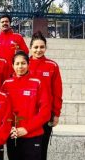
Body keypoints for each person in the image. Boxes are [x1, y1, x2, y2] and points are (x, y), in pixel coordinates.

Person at [2, 51, 51, 160]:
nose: (20, 66)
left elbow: (45, 112)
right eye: (17, 63)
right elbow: (3, 111)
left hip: (32, 135)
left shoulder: (37, 82)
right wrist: (9, 128)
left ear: (28, 64)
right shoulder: (6, 84)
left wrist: (27, 129)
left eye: (23, 63)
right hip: (13, 135)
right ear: (12, 66)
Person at [28, 31, 63, 160]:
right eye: (36, 47)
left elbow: (57, 92)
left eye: (42, 47)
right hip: (27, 115)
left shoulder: (52, 66)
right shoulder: (23, 65)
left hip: (45, 115)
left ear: (45, 48)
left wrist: (56, 114)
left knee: (41, 151)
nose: (38, 50)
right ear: (30, 48)